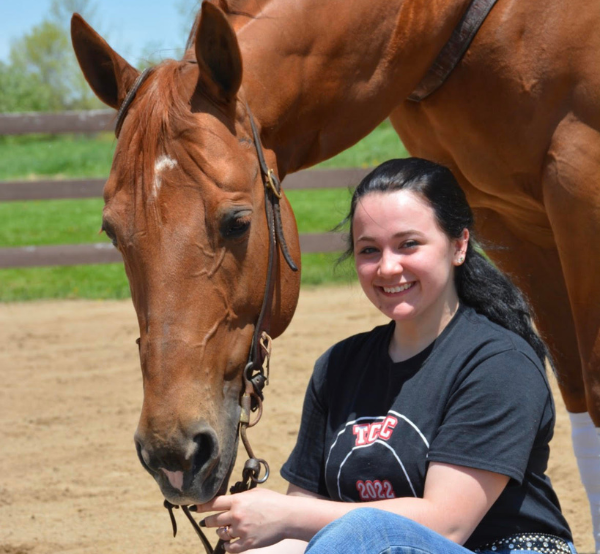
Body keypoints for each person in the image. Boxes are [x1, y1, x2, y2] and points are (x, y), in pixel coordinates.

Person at [195, 158, 576, 554]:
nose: (388, 267)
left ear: (459, 245)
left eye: (408, 244)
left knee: (372, 534)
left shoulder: (499, 364)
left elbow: (447, 525)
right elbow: (301, 528)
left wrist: (286, 515)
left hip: (502, 548)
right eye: (369, 250)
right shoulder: (339, 366)